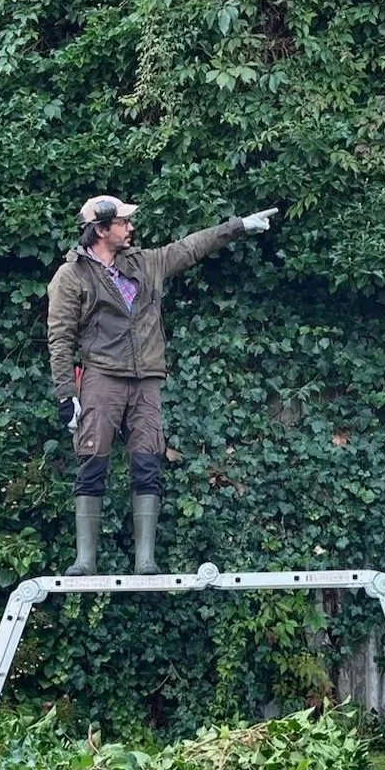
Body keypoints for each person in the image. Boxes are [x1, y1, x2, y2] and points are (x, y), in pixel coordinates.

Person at [47, 195, 278, 576]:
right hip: (101, 377)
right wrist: (65, 396)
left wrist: (238, 226)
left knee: (147, 462)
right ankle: (84, 561)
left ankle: (146, 560)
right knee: (92, 461)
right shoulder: (70, 277)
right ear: (101, 229)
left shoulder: (144, 263)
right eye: (122, 223)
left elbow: (190, 247)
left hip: (147, 379)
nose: (131, 228)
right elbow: (59, 338)